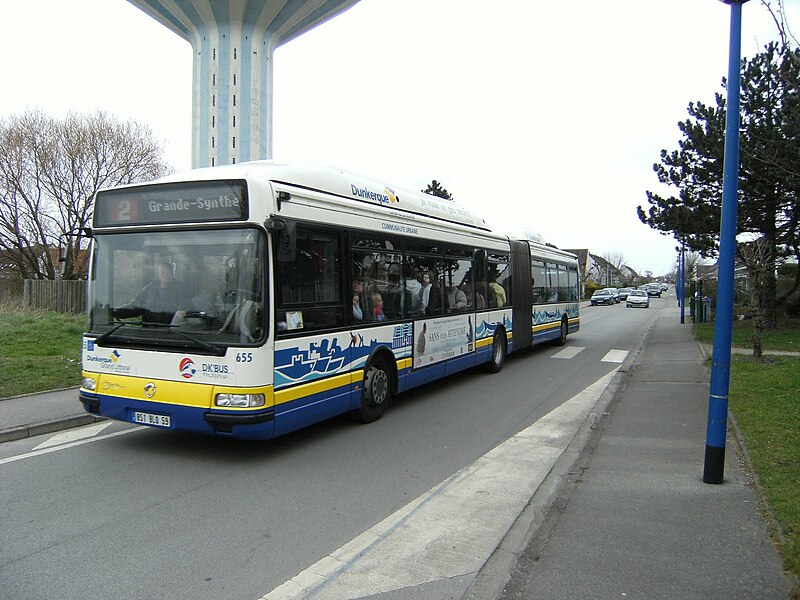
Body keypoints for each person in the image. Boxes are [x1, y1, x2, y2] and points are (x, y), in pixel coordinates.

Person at [117, 261, 189, 324]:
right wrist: (117, 311)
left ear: (172, 273)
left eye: (169, 272)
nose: (166, 275)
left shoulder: (182, 289)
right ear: (158, 274)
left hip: (173, 333)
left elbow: (185, 309)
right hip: (150, 332)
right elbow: (137, 306)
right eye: (163, 272)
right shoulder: (149, 289)